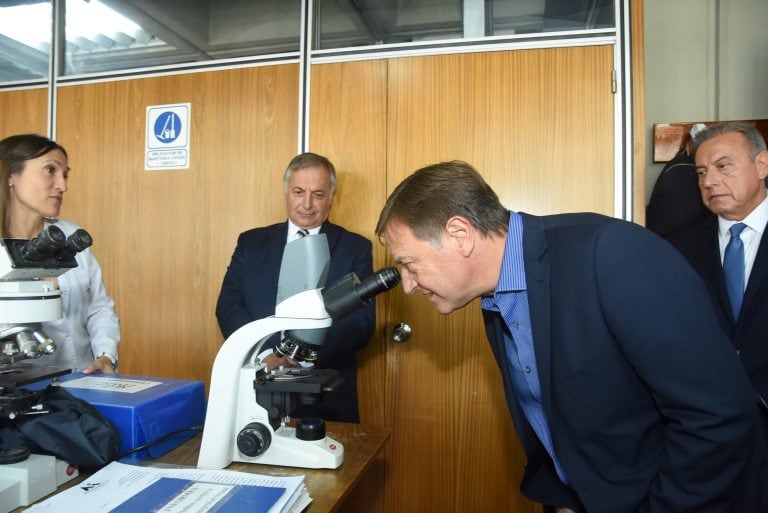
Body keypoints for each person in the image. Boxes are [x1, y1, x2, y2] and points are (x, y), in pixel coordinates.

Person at [375, 160, 765, 512]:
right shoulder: (496, 297)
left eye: (410, 264)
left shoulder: (611, 254)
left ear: (460, 234)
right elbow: (557, 415)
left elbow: (717, 417)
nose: (407, 285)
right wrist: (567, 498)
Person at [216, 152, 374, 423]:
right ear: (286, 193)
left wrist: (301, 357)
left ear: (331, 197)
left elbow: (361, 323)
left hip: (327, 395)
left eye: (318, 194)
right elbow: (228, 305)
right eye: (299, 192)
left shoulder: (355, 248)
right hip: (256, 384)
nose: (307, 204)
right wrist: (268, 355)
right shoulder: (250, 242)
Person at [667, 122, 768, 414]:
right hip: (709, 420)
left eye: (723, 166)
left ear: (761, 165)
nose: (709, 181)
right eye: (701, 173)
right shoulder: (677, 247)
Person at [0, 134, 119, 374]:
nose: (62, 186)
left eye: (64, 175)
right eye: (49, 171)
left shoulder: (69, 234)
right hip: (17, 383)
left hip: (83, 378)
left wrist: (106, 355)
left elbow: (99, 307)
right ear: (11, 175)